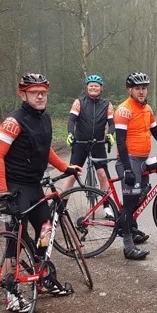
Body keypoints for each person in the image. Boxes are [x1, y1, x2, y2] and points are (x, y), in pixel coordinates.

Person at [0, 73, 80, 312]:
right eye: (34, 92)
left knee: (46, 229)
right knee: (15, 241)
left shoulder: (45, 118)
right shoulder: (13, 121)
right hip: (15, 187)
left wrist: (65, 167)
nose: (40, 96)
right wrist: (2, 191)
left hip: (34, 185)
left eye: (43, 92)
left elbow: (44, 149)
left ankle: (42, 276)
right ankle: (11, 293)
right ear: (23, 94)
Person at [114, 72, 157, 260]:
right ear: (130, 90)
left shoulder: (147, 109)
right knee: (129, 204)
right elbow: (120, 142)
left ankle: (127, 225)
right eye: (138, 88)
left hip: (142, 160)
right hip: (128, 161)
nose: (141, 91)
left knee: (143, 192)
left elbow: (156, 132)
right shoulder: (123, 110)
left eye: (144, 88)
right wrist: (127, 168)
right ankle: (128, 246)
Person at [61, 74, 116, 219]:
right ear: (87, 88)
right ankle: (60, 207)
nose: (93, 88)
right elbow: (72, 120)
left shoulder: (107, 104)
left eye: (96, 86)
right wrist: (70, 133)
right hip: (80, 143)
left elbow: (112, 123)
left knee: (103, 176)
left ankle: (107, 208)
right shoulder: (79, 102)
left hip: (98, 144)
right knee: (72, 174)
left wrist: (110, 134)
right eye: (91, 85)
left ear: (101, 88)